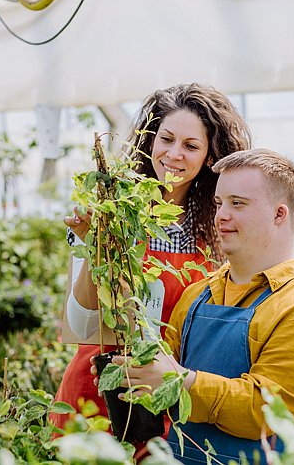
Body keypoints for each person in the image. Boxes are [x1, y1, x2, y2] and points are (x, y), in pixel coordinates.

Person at [97, 149, 294, 463]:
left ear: (280, 214)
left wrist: (178, 381)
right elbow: (164, 377)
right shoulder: (199, 294)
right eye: (219, 203)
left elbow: (264, 411)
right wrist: (133, 376)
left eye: (237, 203)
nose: (221, 215)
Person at [51, 83, 252, 434]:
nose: (174, 154)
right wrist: (98, 244)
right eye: (167, 139)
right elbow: (82, 326)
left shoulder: (217, 235)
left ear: (209, 157)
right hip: (94, 395)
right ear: (150, 142)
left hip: (166, 406)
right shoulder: (111, 212)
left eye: (191, 146)